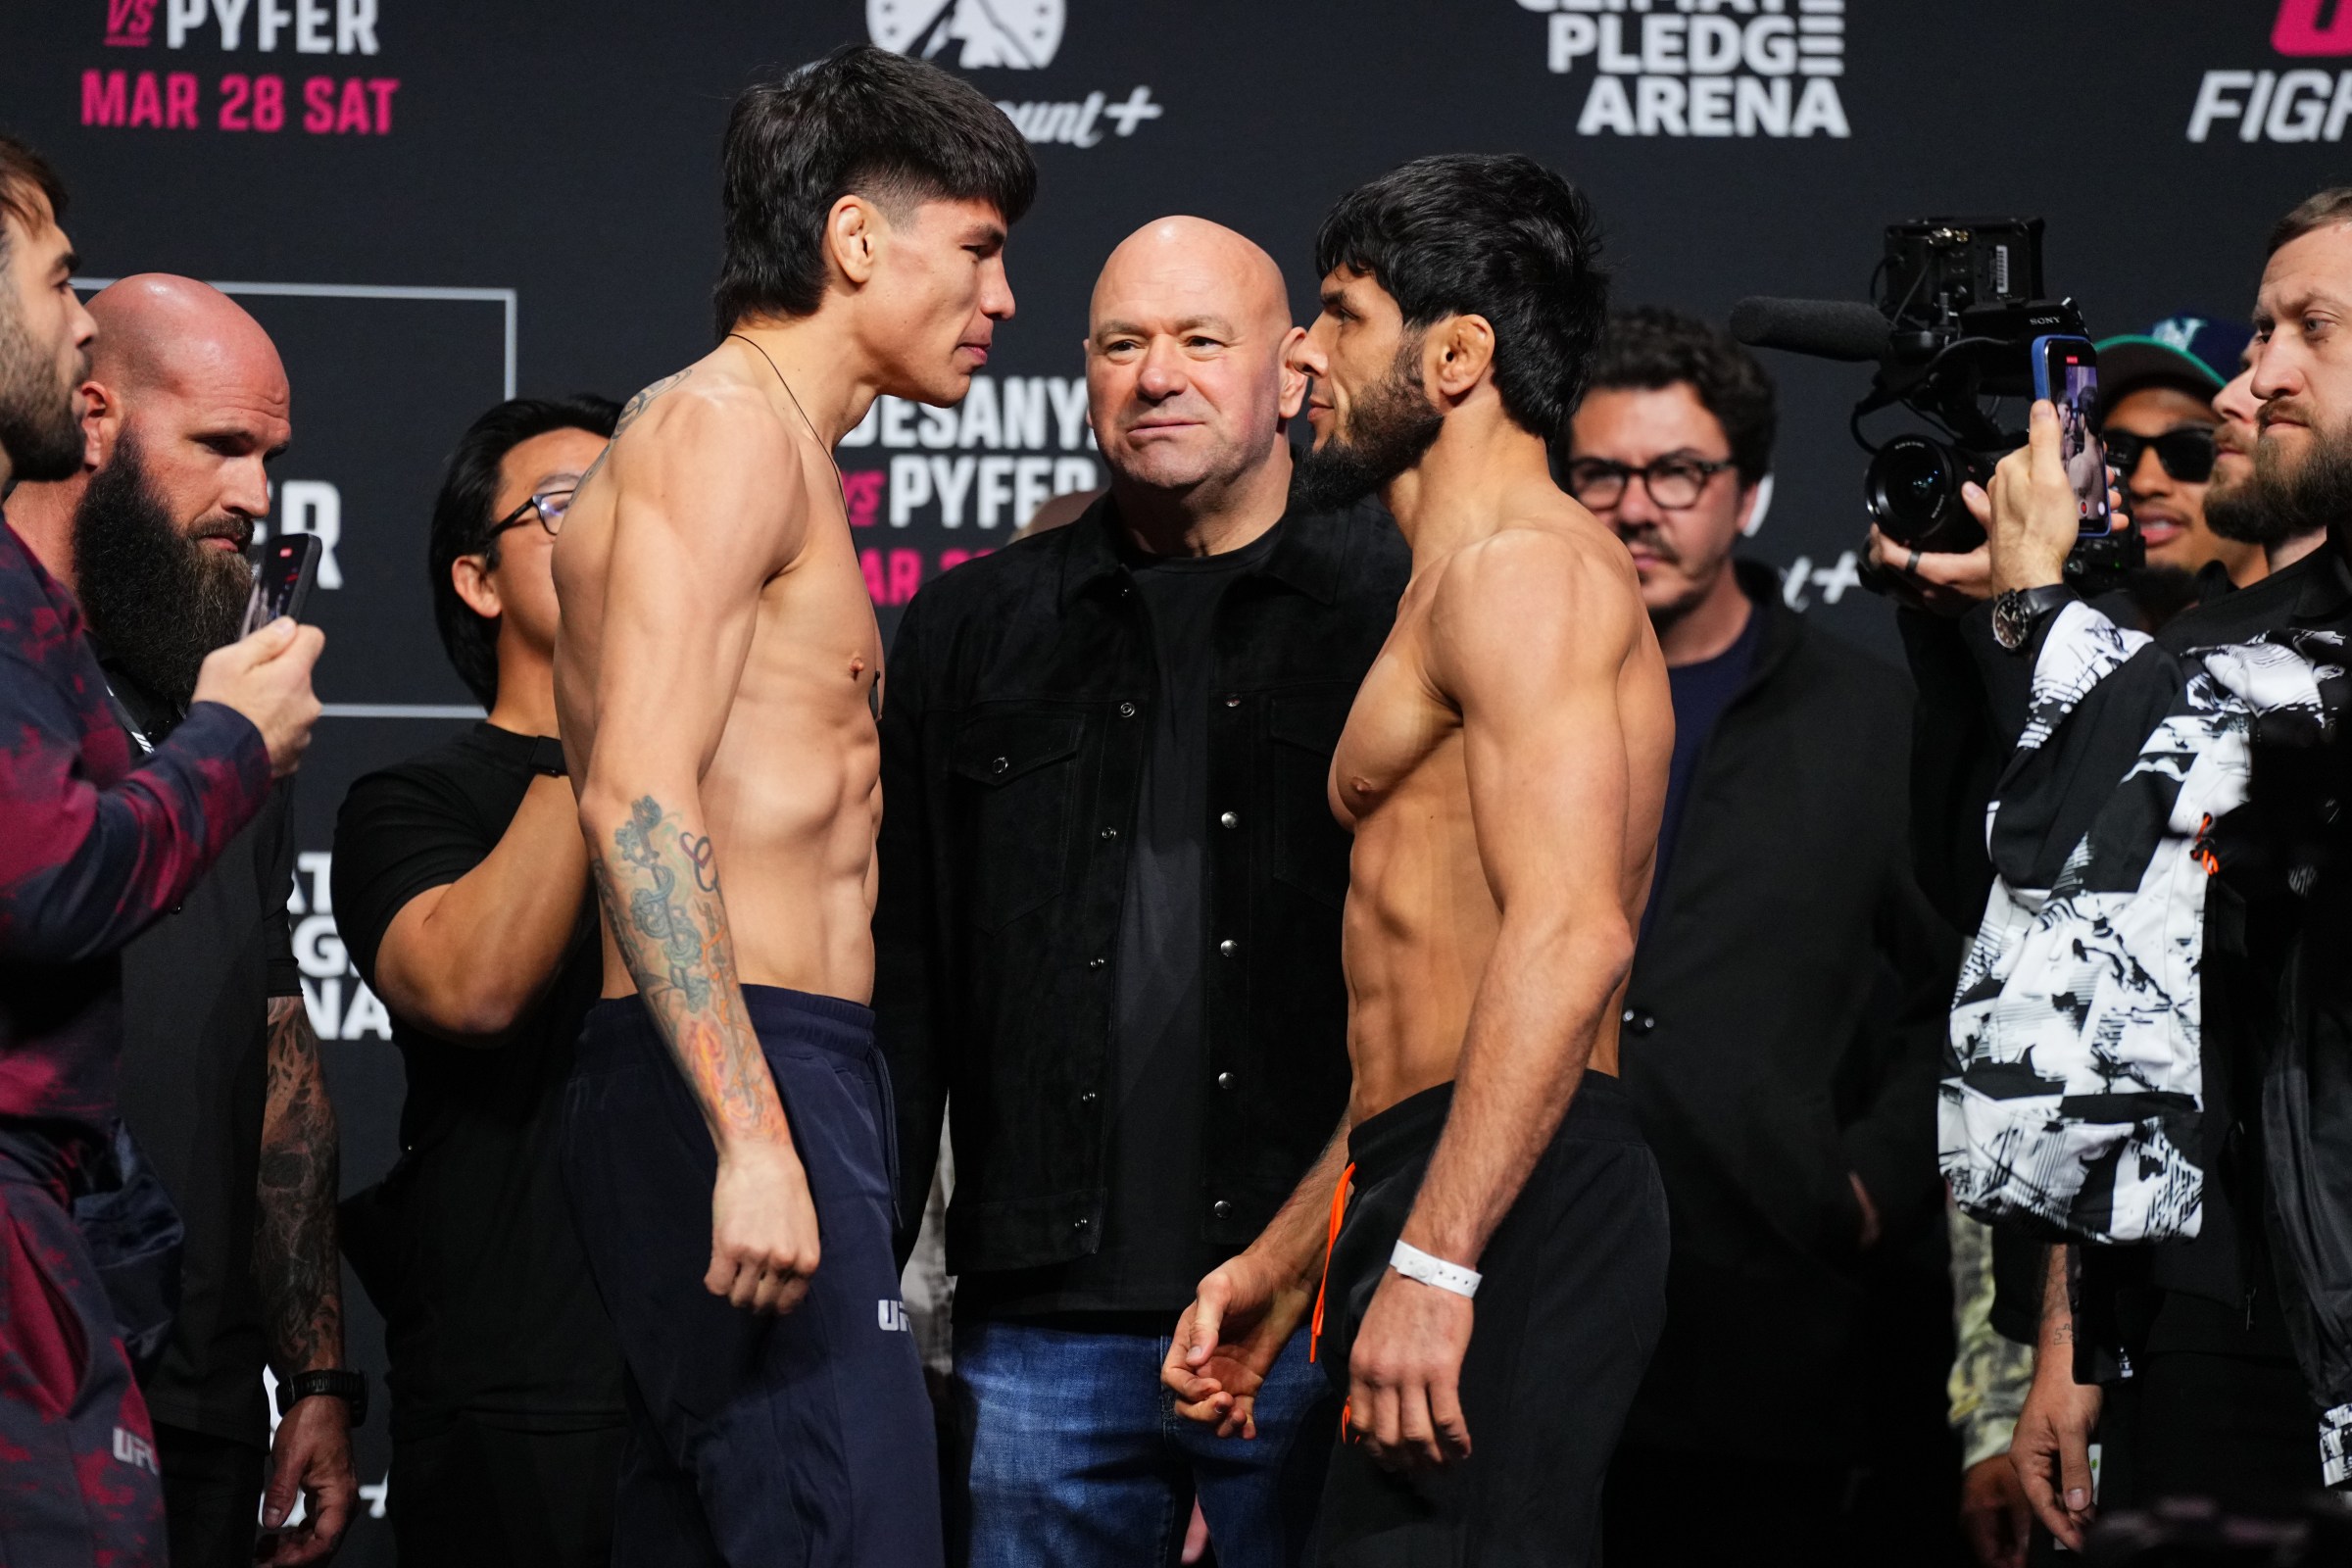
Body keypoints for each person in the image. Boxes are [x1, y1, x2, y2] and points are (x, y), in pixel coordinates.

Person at [548, 46, 1034, 1567]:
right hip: (742, 1064)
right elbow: (635, 788)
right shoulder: (723, 436)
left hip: (766, 1065)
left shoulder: (767, 446)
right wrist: (754, 1132)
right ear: (856, 241)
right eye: (980, 249)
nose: (1003, 299)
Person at [1161, 154, 1672, 1566]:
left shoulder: (1525, 572)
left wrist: (1439, 1263)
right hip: (1439, 1169)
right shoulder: (1443, 586)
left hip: (1519, 1198)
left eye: (1340, 314)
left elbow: (1572, 942)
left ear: (1454, 356)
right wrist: (1289, 1259)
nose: (1300, 354)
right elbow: (1428, 1036)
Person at [874, 216, 1406, 1567]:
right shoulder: (970, 625)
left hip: (1320, 1299)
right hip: (1044, 1317)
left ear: (1290, 373)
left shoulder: (1398, 605)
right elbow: (910, 980)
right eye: (1121, 344)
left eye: (1198, 341)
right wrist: (871, 1290)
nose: (1154, 374)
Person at [1956, 191, 2352, 1545]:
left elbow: (2243, 776)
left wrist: (2033, 604)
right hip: (2219, 1308)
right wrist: (2084, 1328)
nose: (2261, 377)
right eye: (2260, 333)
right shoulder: (2239, 630)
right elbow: (2112, 962)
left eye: (2313, 332)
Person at [1559, 308, 1958, 1563]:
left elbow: (1961, 991)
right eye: (1603, 474)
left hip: (1786, 1332)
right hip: (1541, 1309)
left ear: (1750, 494)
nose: (1638, 508)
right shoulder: (1502, 706)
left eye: (1678, 473)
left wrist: (1862, 1187)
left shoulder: (1871, 719)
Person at [0, 134, 323, 1566]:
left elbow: (279, 1042)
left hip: (161, 1355)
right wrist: (226, 753)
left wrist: (314, 1369)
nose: (260, 497)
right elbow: (49, 885)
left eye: (274, 455)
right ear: (93, 415)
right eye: (222, 446)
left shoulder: (194, 692)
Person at [331, 395, 629, 1565]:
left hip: (714, 1368)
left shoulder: (728, 781)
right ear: (480, 580)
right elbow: (476, 985)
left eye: (631, 500)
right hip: (519, 1390)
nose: (612, 531)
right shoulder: (412, 804)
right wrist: (600, 708)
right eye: (568, 507)